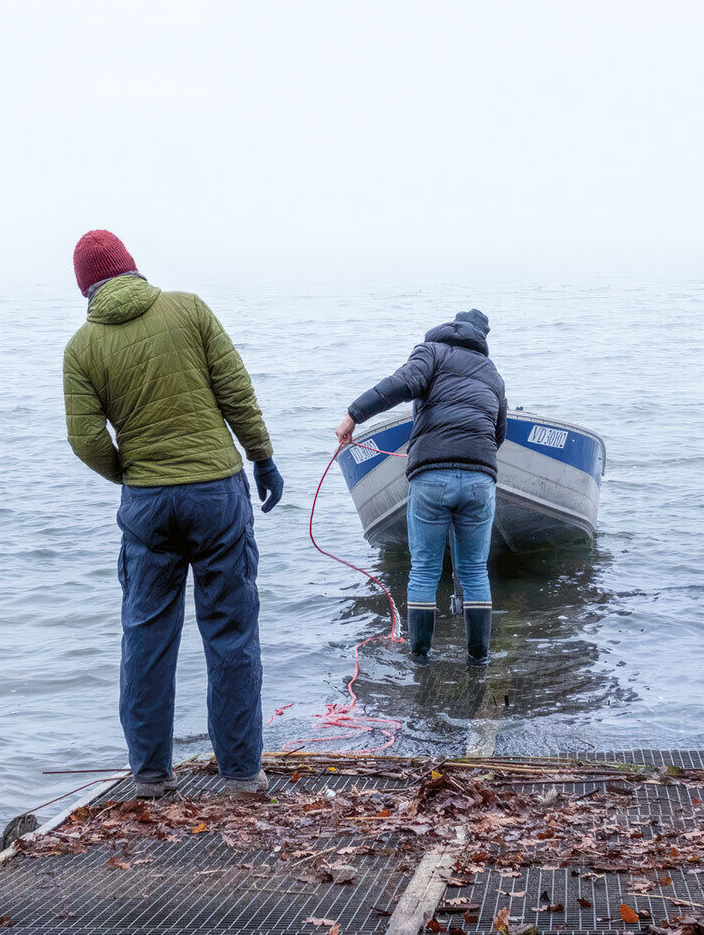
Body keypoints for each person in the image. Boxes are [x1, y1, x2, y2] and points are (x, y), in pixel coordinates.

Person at [62, 229, 283, 798]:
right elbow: (236, 392)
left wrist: (132, 475)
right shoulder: (188, 309)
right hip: (216, 494)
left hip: (147, 504)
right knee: (231, 631)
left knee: (145, 636)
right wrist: (262, 459)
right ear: (132, 267)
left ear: (87, 288)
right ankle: (240, 776)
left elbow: (85, 440)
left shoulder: (82, 348)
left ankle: (151, 778)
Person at [335, 309, 507, 666]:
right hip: (480, 480)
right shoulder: (494, 375)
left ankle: (420, 658)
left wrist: (354, 414)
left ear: (452, 326)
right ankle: (479, 659)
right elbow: (498, 433)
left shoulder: (432, 351)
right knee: (475, 570)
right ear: (482, 337)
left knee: (425, 569)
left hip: (432, 477)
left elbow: (400, 384)